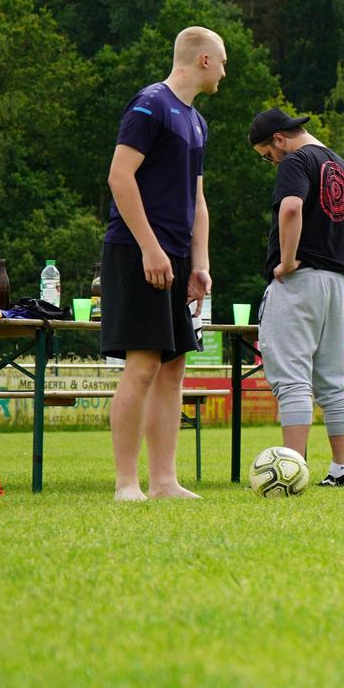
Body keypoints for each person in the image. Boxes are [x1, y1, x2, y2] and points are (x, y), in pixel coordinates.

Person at [103, 26, 225, 501]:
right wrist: (151, 248)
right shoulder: (151, 104)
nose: (225, 70)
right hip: (136, 251)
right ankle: (126, 483)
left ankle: (164, 481)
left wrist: (200, 263)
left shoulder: (196, 121)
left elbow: (197, 198)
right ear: (203, 61)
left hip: (175, 256)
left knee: (173, 368)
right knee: (142, 366)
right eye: (223, 60)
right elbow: (119, 176)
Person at [249, 109, 344, 486]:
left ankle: (292, 471)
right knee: (333, 381)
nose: (271, 162)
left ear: (279, 139)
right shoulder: (341, 164)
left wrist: (289, 258)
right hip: (335, 284)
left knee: (293, 380)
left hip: (299, 282)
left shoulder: (295, 160)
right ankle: (340, 471)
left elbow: (292, 207)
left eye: (267, 155)